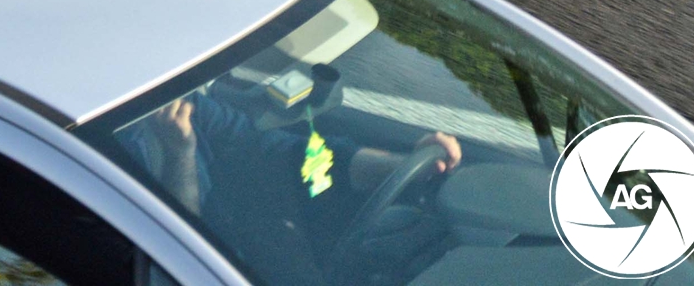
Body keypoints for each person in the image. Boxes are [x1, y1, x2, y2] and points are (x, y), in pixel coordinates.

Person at [123, 67, 459, 285]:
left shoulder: (177, 101)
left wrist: (404, 166)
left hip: (264, 246)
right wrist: (179, 153)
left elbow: (274, 151)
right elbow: (179, 243)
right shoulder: (110, 150)